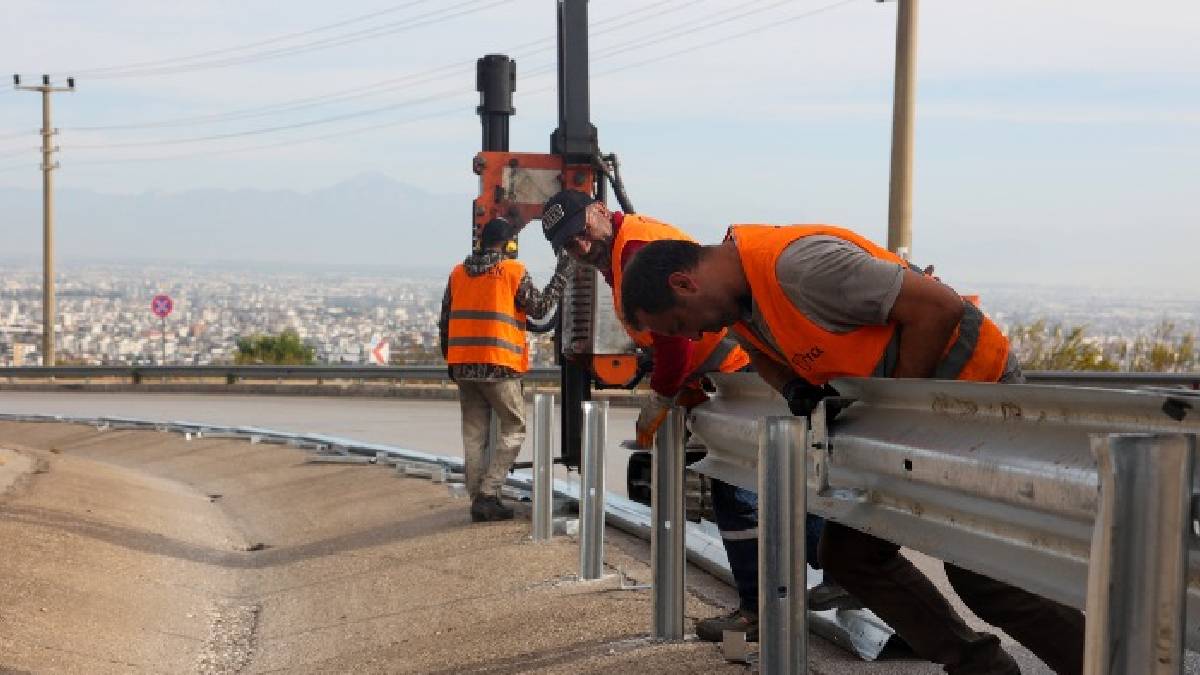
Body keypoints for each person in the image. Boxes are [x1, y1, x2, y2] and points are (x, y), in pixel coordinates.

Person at [618, 224, 1086, 675]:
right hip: (910, 424)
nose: (695, 336)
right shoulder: (739, 303)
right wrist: (795, 388)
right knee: (851, 557)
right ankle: (982, 668)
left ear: (685, 282)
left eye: (682, 322)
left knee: (983, 575)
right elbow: (760, 349)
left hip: (975, 400)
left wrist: (897, 412)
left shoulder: (799, 266)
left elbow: (938, 308)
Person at [540, 191, 857, 642]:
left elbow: (674, 341)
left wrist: (663, 397)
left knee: (742, 493)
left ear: (596, 209)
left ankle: (766, 606)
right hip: (732, 374)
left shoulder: (635, 251)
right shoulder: (626, 246)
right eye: (569, 244)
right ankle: (837, 576)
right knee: (768, 485)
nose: (580, 247)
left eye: (581, 233)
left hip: (738, 374)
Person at [439, 218, 572, 522]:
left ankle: (478, 500)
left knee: (474, 434)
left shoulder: (458, 273)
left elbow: (444, 320)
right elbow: (540, 308)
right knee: (514, 427)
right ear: (509, 244)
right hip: (498, 364)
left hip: (463, 365)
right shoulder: (512, 270)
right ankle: (488, 493)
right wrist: (562, 275)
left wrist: (451, 359)